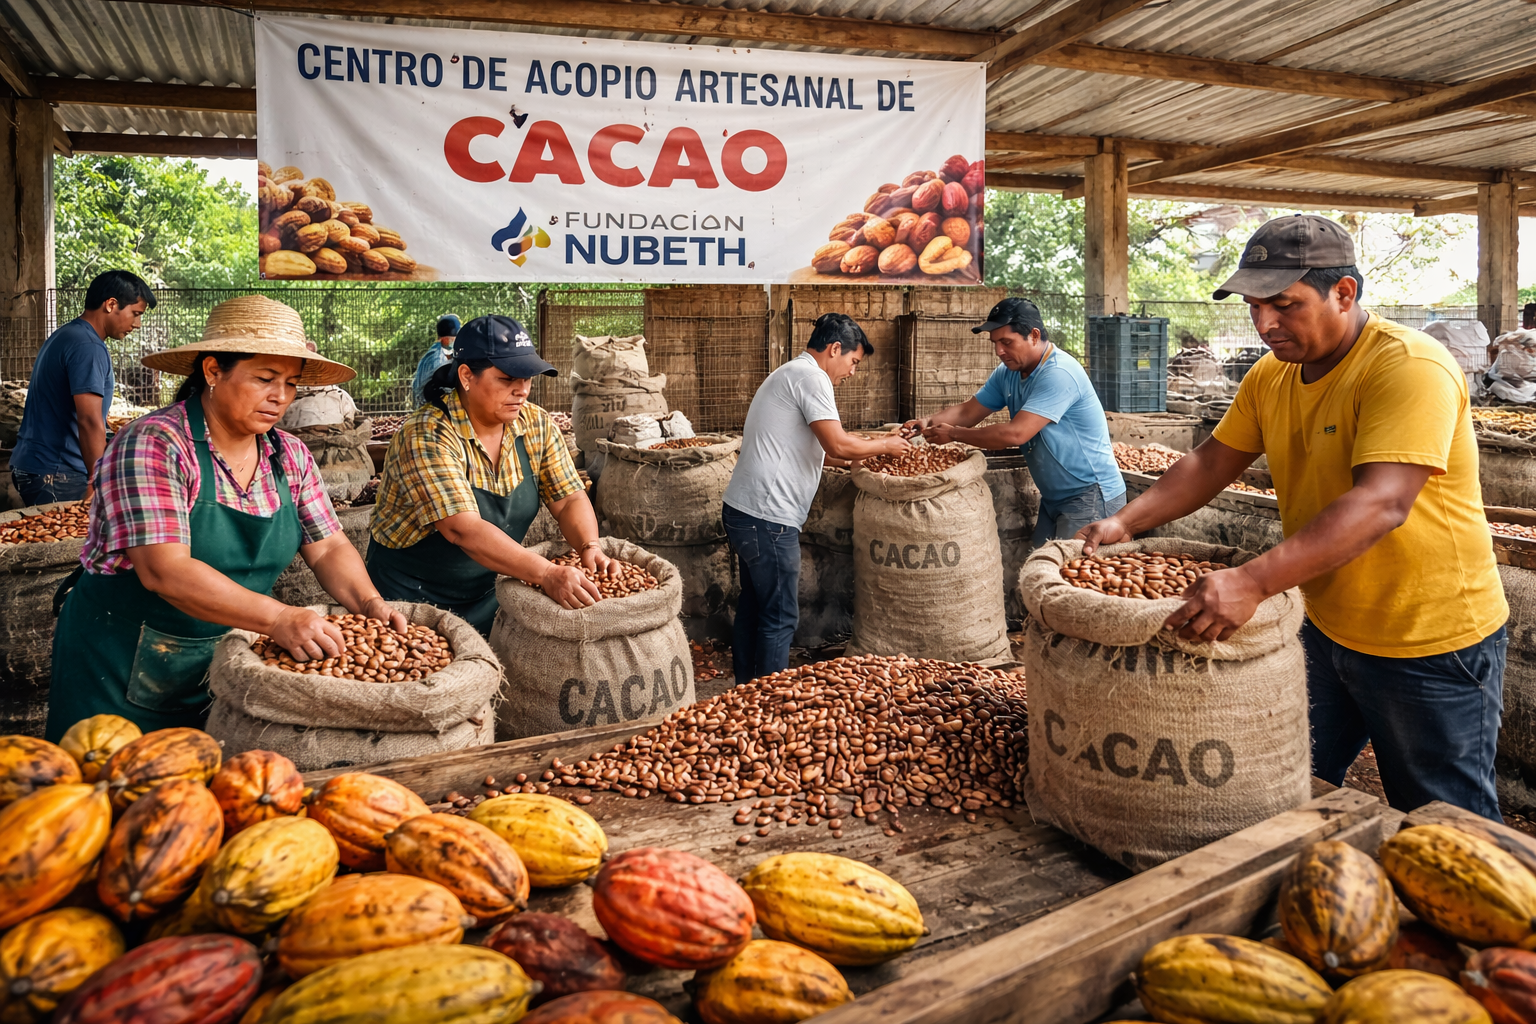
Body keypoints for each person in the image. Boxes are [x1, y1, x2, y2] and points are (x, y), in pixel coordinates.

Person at [1079, 214, 1508, 818]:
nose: (1265, 324)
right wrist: (1128, 521)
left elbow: (1382, 502)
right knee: (1283, 788)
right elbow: (1209, 463)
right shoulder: (1270, 375)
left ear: (1344, 292)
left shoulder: (1408, 367)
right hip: (1323, 625)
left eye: (1283, 304)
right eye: (1254, 306)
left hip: (1427, 641)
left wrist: (1253, 581)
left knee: (1446, 823)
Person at [44, 295, 403, 741]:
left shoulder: (288, 455)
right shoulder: (155, 444)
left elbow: (328, 545)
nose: (281, 397)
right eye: (265, 379)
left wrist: (369, 603)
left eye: (291, 383)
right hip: (121, 662)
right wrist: (276, 619)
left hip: (234, 657)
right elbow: (165, 570)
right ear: (213, 371)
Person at [367, 315, 612, 634]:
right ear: (467, 376)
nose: (521, 391)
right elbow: (462, 529)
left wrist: (589, 546)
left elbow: (568, 499)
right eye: (508, 378)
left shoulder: (535, 424)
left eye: (528, 378)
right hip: (410, 600)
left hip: (489, 588)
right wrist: (548, 574)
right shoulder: (427, 434)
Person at [721, 313, 911, 684]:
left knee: (754, 606)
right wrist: (886, 443)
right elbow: (837, 443)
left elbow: (829, 453)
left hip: (745, 510)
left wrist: (875, 453)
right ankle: (770, 702)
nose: (852, 372)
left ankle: (743, 694)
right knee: (780, 615)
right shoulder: (812, 377)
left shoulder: (791, 373)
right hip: (768, 518)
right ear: (834, 348)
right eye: (853, 362)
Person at [902, 297, 1125, 547]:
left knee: (1069, 576)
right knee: (1039, 569)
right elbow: (968, 411)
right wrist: (927, 421)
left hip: (1091, 495)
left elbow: (1015, 434)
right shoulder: (1008, 372)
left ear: (1033, 335)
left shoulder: (1059, 373)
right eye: (995, 343)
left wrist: (954, 434)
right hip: (1054, 497)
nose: (999, 351)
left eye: (1006, 342)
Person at [12, 270, 156, 506]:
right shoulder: (88, 346)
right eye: (136, 314)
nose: (137, 324)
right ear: (111, 304)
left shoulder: (66, 335)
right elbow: (89, 420)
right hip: (59, 472)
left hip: (38, 466)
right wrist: (98, 477)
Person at [411, 314, 460, 407]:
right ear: (445, 338)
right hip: (427, 406)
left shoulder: (438, 352)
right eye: (455, 337)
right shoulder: (437, 357)